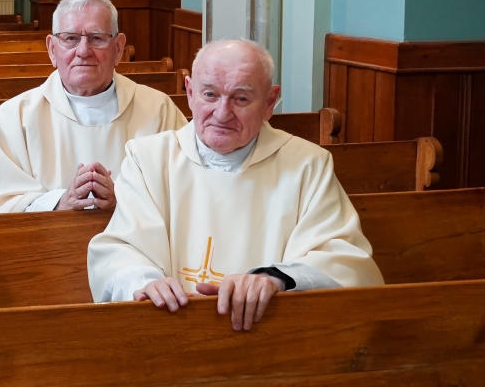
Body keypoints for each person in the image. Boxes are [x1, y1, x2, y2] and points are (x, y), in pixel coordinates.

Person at [87, 39, 383, 332]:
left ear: (270, 102)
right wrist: (145, 282)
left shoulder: (308, 165)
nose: (222, 112)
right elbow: (122, 247)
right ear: (190, 93)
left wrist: (275, 278)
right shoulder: (147, 159)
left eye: (240, 98)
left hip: (271, 335)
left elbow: (344, 257)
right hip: (168, 330)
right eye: (210, 94)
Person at [0, 0, 188, 213]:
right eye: (70, 38)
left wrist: (123, 199)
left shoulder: (159, 111)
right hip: (47, 246)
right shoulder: (15, 118)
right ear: (52, 49)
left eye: (97, 38)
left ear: (118, 48)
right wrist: (60, 202)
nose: (83, 51)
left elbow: (188, 190)